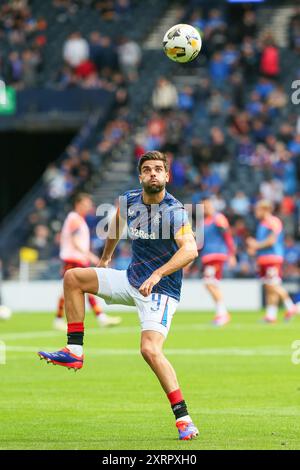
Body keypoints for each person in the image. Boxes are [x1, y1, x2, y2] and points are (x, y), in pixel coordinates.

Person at [38, 151, 199, 441]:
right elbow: (115, 224)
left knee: (149, 350)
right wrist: (105, 258)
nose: (152, 174)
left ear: (166, 177)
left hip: (160, 291)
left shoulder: (174, 212)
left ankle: (184, 418)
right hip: (131, 279)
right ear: (140, 176)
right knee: (73, 278)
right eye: (147, 169)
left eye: (158, 170)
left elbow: (190, 250)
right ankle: (74, 351)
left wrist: (157, 274)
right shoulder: (129, 200)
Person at [54, 192, 121, 331]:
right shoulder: (74, 219)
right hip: (73, 258)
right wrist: (89, 255)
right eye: (86, 204)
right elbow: (74, 240)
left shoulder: (78, 219)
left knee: (76, 288)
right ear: (78, 204)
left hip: (77, 258)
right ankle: (99, 317)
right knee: (78, 288)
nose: (89, 206)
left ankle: (60, 319)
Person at [246, 200, 297, 322]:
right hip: (264, 258)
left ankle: (291, 307)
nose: (256, 213)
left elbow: (271, 241)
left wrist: (256, 245)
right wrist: (255, 249)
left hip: (272, 257)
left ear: (265, 210)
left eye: (258, 210)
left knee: (273, 284)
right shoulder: (262, 224)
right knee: (269, 287)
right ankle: (271, 315)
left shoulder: (273, 222)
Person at [199, 194, 236, 326]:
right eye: (203, 206)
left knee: (209, 282)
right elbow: (199, 244)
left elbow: (227, 236)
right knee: (212, 283)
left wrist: (232, 254)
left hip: (217, 255)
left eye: (207, 205)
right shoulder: (202, 222)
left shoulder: (218, 218)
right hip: (207, 257)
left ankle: (223, 313)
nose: (206, 208)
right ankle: (221, 313)